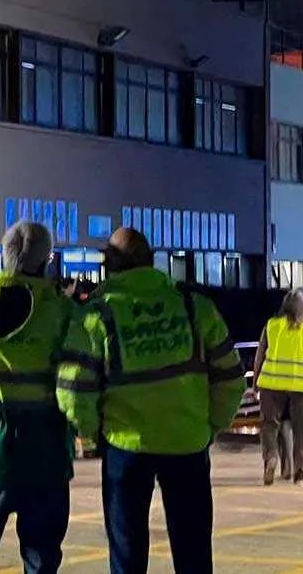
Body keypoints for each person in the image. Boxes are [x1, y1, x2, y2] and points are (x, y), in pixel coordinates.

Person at [56, 227, 245, 573]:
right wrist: (210, 426)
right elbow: (232, 377)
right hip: (188, 443)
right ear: (151, 260)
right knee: (194, 554)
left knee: (127, 555)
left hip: (126, 448)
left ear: (109, 265)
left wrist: (89, 432)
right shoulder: (193, 307)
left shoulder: (98, 316)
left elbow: (73, 387)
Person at [0, 221, 82, 574]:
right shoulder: (61, 312)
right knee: (41, 555)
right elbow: (76, 378)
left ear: (2, 256)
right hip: (44, 451)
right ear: (46, 260)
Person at [253, 289, 303, 486]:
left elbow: (259, 357)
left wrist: (255, 384)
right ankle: (300, 474)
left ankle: (271, 458)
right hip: (302, 387)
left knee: (269, 426)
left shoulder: (271, 325)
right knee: (302, 432)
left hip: (271, 385)